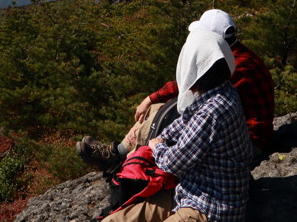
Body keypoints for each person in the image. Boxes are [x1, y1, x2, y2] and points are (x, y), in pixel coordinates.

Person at [78, 10, 274, 168]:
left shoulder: (234, 65)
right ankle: (120, 153)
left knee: (165, 113)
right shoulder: (234, 56)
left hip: (247, 143)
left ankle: (124, 159)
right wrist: (152, 99)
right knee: (161, 109)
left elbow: (190, 85)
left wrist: (152, 102)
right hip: (241, 132)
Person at [99, 27, 253, 222]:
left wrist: (157, 145)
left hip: (210, 208)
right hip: (191, 191)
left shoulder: (211, 112)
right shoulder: (222, 91)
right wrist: (163, 136)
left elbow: (174, 163)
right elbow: (185, 120)